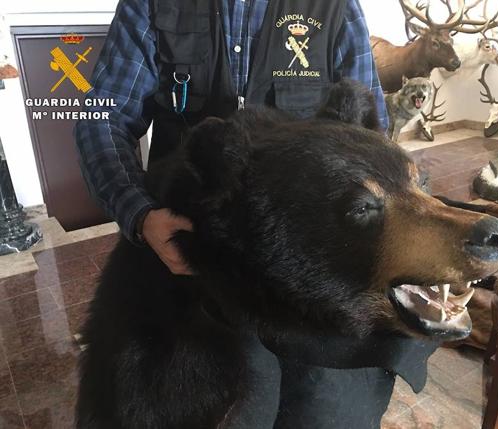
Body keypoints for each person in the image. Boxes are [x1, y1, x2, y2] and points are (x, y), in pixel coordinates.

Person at [75, 0, 388, 275]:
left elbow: (369, 135)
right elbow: (103, 116)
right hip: (182, 247)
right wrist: (140, 213)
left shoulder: (336, 6)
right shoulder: (152, 3)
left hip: (293, 258)